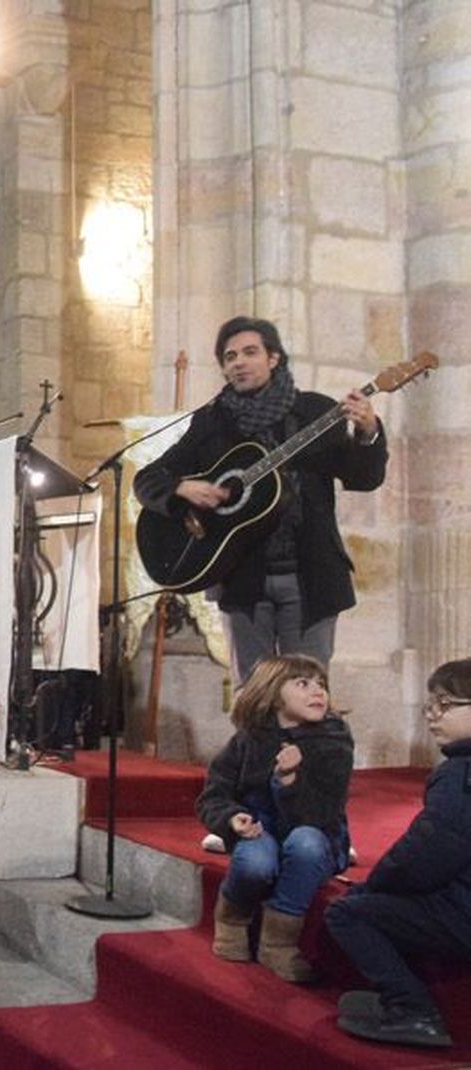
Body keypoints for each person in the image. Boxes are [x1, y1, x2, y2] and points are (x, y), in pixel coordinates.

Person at [134, 316, 388, 684]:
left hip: (310, 576)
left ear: (273, 358)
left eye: (250, 352)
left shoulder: (315, 412)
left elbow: (364, 478)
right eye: (229, 356)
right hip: (242, 579)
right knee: (252, 697)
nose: (238, 361)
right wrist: (181, 488)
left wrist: (367, 432)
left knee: (307, 693)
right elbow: (147, 480)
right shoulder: (211, 422)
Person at [327, 658, 471, 1049]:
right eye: (430, 704)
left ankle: (414, 1010)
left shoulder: (461, 773)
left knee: (347, 912)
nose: (431, 715)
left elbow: (430, 852)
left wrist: (375, 885)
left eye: (445, 704)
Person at [196, 654, 352, 983]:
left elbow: (321, 815)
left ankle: (278, 942)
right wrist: (232, 818)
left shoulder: (334, 742)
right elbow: (214, 795)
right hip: (261, 830)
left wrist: (289, 780)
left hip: (315, 832)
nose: (317, 691)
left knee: (306, 844)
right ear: (271, 692)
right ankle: (232, 920)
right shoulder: (248, 741)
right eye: (303, 684)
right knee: (256, 860)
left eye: (321, 684)